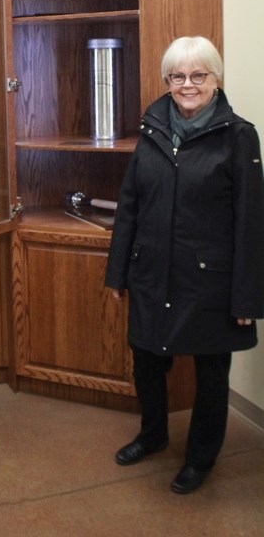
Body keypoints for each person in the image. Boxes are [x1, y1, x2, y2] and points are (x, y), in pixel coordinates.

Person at [105, 36, 264, 494]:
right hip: (152, 272)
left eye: (198, 76)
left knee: (211, 373)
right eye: (178, 76)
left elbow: (250, 222)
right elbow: (130, 204)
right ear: (167, 81)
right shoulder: (151, 128)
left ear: (216, 80)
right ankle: (153, 435)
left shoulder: (239, 135)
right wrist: (118, 272)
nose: (187, 85)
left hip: (210, 281)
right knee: (147, 361)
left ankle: (200, 458)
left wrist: (246, 296)